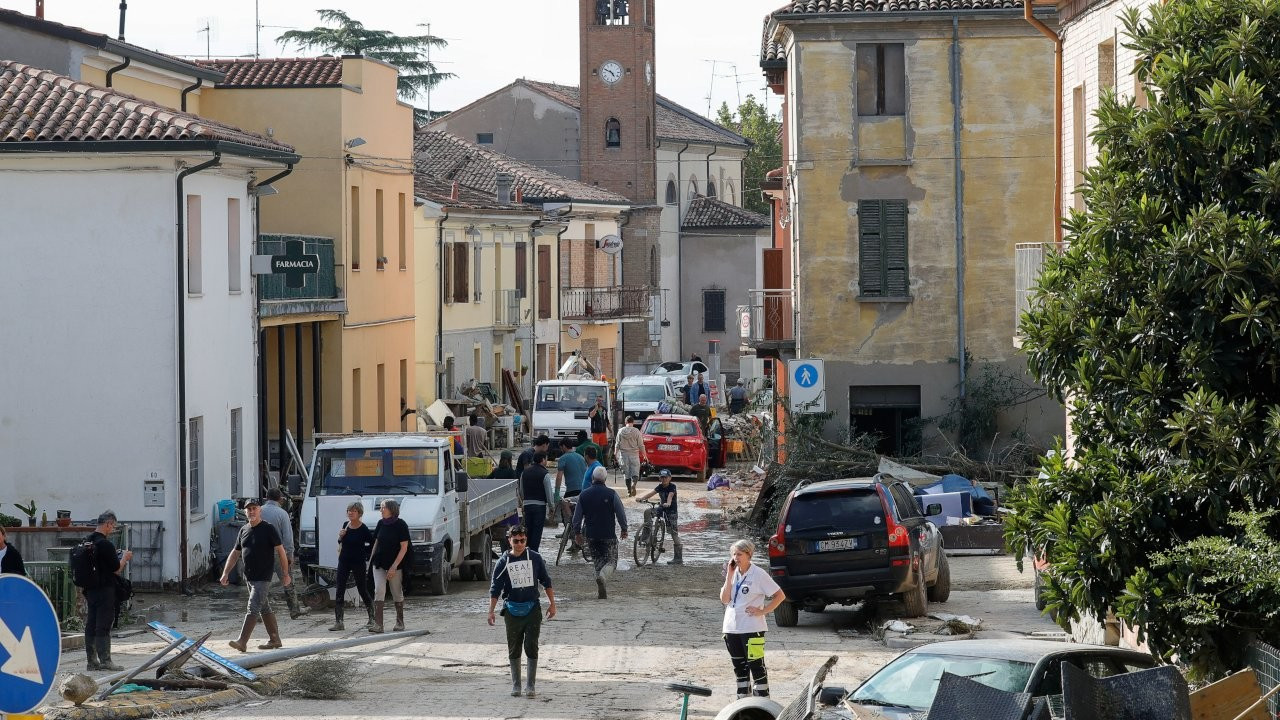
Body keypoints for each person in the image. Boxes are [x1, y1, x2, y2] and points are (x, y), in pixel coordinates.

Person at [487, 525, 556, 698]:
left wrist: (552, 604)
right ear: (509, 541)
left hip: (532, 609)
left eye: (522, 541)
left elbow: (546, 582)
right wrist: (491, 611)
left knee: (531, 646)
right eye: (515, 541)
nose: (519, 544)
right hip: (511, 611)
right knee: (514, 648)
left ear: (526, 540)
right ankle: (516, 685)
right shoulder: (504, 562)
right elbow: (495, 588)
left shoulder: (535, 558)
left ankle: (530, 686)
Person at [719, 539, 786, 699]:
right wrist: (728, 576)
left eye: (739, 554)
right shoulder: (732, 573)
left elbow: (780, 596)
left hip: (752, 628)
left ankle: (762, 702)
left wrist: (763, 611)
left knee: (756, 665)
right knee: (739, 668)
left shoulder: (758, 574)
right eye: (734, 554)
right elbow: (725, 599)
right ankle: (742, 702)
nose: (736, 557)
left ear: (749, 555)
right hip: (731, 628)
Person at [220, 500, 288, 653]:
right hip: (249, 576)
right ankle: (275, 639)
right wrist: (225, 573)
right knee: (264, 607)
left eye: (254, 509)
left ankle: (242, 642)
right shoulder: (243, 530)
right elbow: (235, 552)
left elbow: (281, 552)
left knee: (253, 607)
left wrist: (285, 573)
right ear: (245, 512)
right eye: (248, 509)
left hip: (263, 576)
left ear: (259, 510)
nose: (251, 511)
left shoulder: (269, 529)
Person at [80, 511, 133, 670]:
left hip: (90, 589)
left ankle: (91, 660)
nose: (113, 529)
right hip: (105, 589)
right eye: (113, 526)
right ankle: (106, 660)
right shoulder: (105, 544)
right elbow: (116, 569)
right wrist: (124, 558)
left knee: (91, 622)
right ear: (108, 523)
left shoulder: (87, 541)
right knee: (103, 624)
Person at [571, 466, 628, 599]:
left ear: (592, 478)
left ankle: (601, 591)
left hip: (591, 535)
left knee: (598, 562)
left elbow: (577, 517)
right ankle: (602, 577)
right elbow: (621, 513)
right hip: (608, 535)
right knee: (612, 562)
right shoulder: (612, 494)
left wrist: (577, 533)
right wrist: (624, 529)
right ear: (605, 479)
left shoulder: (584, 494)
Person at [260, 487, 307, 618]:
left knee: (260, 582)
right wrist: (290, 556)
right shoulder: (282, 514)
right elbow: (287, 537)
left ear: (266, 498)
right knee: (287, 580)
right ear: (280, 499)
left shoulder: (258, 511)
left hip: (260, 553)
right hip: (278, 552)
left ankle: (258, 612)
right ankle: (294, 610)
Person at [368, 498, 411, 633]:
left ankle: (400, 622)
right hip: (379, 562)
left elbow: (404, 547)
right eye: (380, 507)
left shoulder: (401, 525)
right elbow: (376, 542)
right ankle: (378, 625)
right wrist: (370, 561)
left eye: (383, 507)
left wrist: (394, 566)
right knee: (379, 590)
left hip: (395, 564)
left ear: (391, 509)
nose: (380, 510)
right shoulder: (380, 523)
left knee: (396, 592)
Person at [331, 502, 375, 632]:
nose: (350, 513)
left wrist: (364, 553)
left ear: (359, 514)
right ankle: (339, 622)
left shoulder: (363, 528)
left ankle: (372, 618)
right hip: (344, 561)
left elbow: (372, 543)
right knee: (340, 589)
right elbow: (340, 542)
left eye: (353, 511)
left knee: (362, 589)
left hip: (358, 562)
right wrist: (340, 536)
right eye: (349, 510)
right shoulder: (346, 525)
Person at [636, 469, 682, 565]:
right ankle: (646, 535)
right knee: (648, 512)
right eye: (662, 477)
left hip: (671, 512)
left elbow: (670, 496)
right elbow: (651, 493)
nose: (664, 479)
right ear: (659, 478)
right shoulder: (660, 486)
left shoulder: (672, 486)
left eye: (666, 477)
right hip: (662, 508)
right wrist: (642, 498)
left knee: (674, 534)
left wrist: (668, 503)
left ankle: (678, 558)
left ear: (670, 478)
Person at [518, 452, 553, 552]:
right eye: (546, 459)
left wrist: (524, 502)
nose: (546, 461)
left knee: (528, 529)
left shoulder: (524, 472)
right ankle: (534, 553)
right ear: (542, 460)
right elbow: (548, 492)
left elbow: (521, 491)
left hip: (527, 505)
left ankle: (527, 552)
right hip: (540, 506)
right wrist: (551, 506)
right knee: (537, 531)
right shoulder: (545, 474)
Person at [554, 438, 587, 525]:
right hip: (583, 489)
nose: (561, 450)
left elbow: (559, 477)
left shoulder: (563, 458)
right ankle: (578, 530)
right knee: (580, 511)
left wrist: (556, 492)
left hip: (571, 490)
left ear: (564, 446)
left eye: (561, 447)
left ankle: (568, 531)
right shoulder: (581, 457)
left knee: (565, 511)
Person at [614, 415, 647, 497]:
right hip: (634, 455)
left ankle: (629, 491)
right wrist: (645, 456)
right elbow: (641, 445)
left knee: (626, 474)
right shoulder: (637, 431)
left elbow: (617, 444)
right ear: (633, 422)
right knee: (635, 472)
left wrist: (615, 454)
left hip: (623, 456)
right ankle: (633, 484)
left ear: (625, 422)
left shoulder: (620, 431)